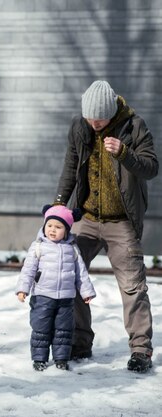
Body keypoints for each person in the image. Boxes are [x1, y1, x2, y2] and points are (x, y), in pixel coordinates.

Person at [55, 80, 159, 373]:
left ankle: (141, 349)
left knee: (132, 287)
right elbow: (70, 168)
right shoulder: (80, 127)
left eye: (98, 119)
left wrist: (124, 153)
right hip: (86, 219)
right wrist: (59, 206)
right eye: (89, 118)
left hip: (121, 221)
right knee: (69, 274)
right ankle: (80, 342)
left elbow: (151, 167)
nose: (94, 123)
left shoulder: (134, 127)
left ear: (111, 113)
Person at [16, 205, 96, 371]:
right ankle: (39, 359)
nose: (52, 230)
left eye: (58, 227)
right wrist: (23, 289)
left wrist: (86, 292)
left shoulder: (72, 249)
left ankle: (61, 358)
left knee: (64, 330)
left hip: (66, 299)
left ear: (66, 230)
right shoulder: (38, 246)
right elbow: (28, 270)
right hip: (42, 296)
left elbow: (80, 272)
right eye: (49, 225)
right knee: (41, 328)